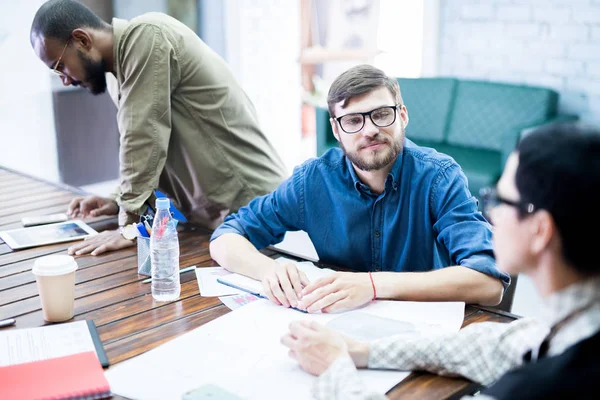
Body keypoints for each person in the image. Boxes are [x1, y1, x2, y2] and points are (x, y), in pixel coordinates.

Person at [281, 125, 600, 399]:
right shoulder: (571, 322)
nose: (491, 215)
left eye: (502, 201)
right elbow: (499, 344)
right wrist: (361, 352)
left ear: (541, 229)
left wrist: (335, 369)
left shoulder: (548, 386)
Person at [210, 64, 508, 313]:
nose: (369, 130)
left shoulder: (439, 177)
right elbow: (226, 237)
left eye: (381, 114)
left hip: (420, 325)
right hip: (337, 324)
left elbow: (488, 283)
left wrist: (373, 285)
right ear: (336, 130)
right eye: (353, 120)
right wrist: (267, 270)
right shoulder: (313, 181)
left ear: (402, 115)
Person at [29, 0, 287, 256]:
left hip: (254, 207)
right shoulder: (114, 76)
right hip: (214, 220)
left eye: (60, 65)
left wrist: (128, 226)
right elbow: (153, 149)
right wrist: (117, 198)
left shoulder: (147, 36)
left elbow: (142, 138)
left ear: (82, 40)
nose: (64, 79)